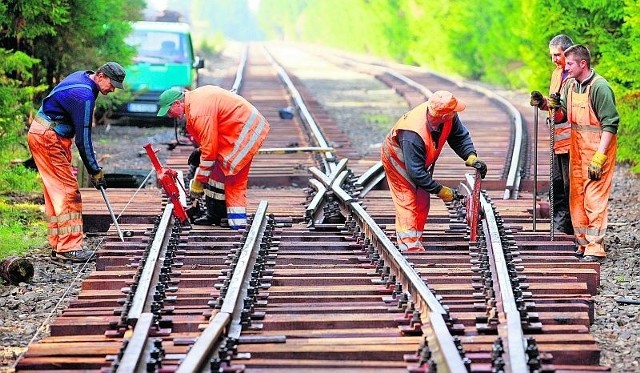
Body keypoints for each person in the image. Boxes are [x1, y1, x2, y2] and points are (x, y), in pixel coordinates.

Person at [27, 62, 126, 262]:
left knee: (55, 191)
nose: (113, 89)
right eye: (111, 83)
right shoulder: (84, 96)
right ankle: (69, 247)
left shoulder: (83, 77)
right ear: (100, 76)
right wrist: (95, 171)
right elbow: (83, 139)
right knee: (68, 192)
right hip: (48, 137)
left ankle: (59, 244)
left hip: (45, 133)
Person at [381, 91, 487, 252]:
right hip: (398, 160)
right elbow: (416, 173)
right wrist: (441, 190)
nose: (456, 113)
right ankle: (409, 246)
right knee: (408, 199)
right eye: (453, 111)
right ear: (443, 115)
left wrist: (471, 156)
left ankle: (416, 237)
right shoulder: (412, 134)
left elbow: (459, 137)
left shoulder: (447, 116)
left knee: (422, 199)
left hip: (418, 161)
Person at [156, 86, 270, 229]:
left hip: (244, 134)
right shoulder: (195, 102)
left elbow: (209, 154)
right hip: (235, 131)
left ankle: (238, 226)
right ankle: (216, 215)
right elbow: (209, 140)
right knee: (216, 174)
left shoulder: (198, 113)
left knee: (233, 180)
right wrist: (201, 150)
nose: (169, 115)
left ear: (177, 104)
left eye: (169, 111)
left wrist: (199, 182)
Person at [547, 44, 619, 263]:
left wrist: (600, 156)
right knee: (576, 196)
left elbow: (611, 124)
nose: (565, 68)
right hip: (577, 151)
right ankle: (583, 243)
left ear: (582, 64)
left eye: (569, 64)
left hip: (597, 151)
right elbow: (564, 117)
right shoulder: (571, 86)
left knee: (594, 198)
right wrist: (548, 106)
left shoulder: (600, 88)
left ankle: (596, 246)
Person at [530, 34, 574, 235]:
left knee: (569, 186)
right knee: (556, 185)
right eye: (552, 56)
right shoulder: (557, 74)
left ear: (568, 52)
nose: (554, 59)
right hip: (558, 138)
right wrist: (543, 103)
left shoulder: (576, 75)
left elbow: (568, 109)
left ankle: (573, 230)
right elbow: (555, 106)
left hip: (573, 140)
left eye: (557, 55)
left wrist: (555, 107)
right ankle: (560, 229)